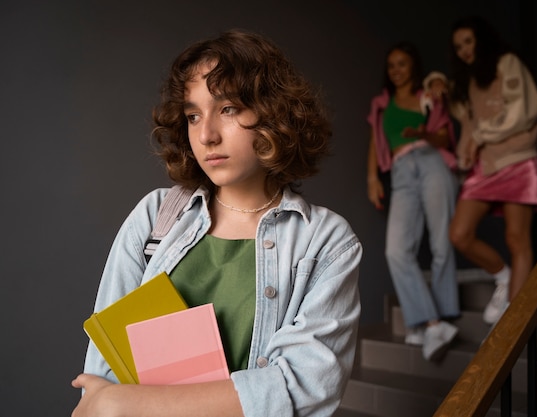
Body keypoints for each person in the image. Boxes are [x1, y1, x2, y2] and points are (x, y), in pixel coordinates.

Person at [71, 29, 362, 417]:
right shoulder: (155, 217)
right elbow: (102, 370)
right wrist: (110, 401)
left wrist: (125, 403)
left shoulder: (325, 242)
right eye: (193, 115)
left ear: (274, 112)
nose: (206, 135)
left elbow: (301, 389)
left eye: (228, 109)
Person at [366, 41, 459, 361]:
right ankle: (432, 323)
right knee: (396, 250)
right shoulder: (382, 103)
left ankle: (439, 319)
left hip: (432, 162)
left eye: (402, 64)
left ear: (413, 67)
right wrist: (373, 177)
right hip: (402, 172)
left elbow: (445, 136)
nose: (396, 70)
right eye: (391, 65)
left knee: (441, 242)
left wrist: (422, 132)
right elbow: (374, 143)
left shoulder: (427, 97)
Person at [447, 16, 537, 326]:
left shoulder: (507, 62)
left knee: (518, 240)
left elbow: (524, 110)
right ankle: (503, 276)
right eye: (458, 47)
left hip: (516, 159)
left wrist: (482, 134)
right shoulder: (469, 81)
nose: (463, 50)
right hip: (485, 166)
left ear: (481, 39)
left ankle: (513, 326)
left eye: (468, 42)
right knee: (459, 234)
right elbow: (465, 123)